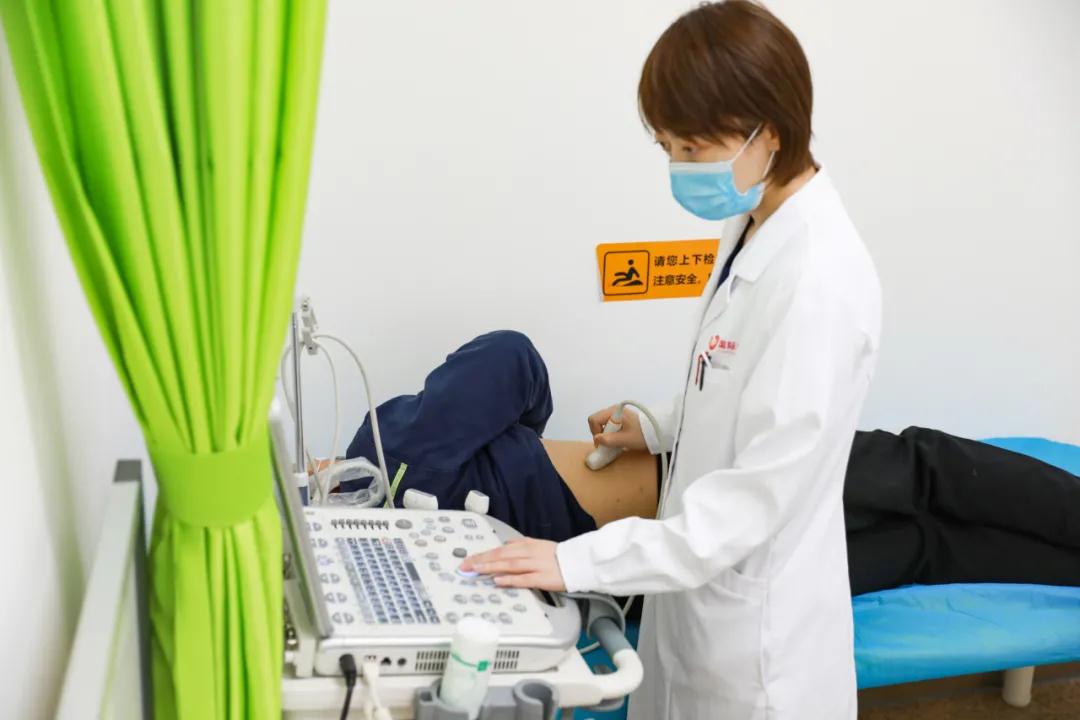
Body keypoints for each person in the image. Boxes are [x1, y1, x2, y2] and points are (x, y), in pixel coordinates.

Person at [346, 330, 1080, 596]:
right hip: (709, 489)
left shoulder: (383, 531)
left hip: (670, 579)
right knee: (924, 470)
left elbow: (516, 368)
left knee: (924, 547)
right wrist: (515, 435)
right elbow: (511, 358)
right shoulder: (383, 455)